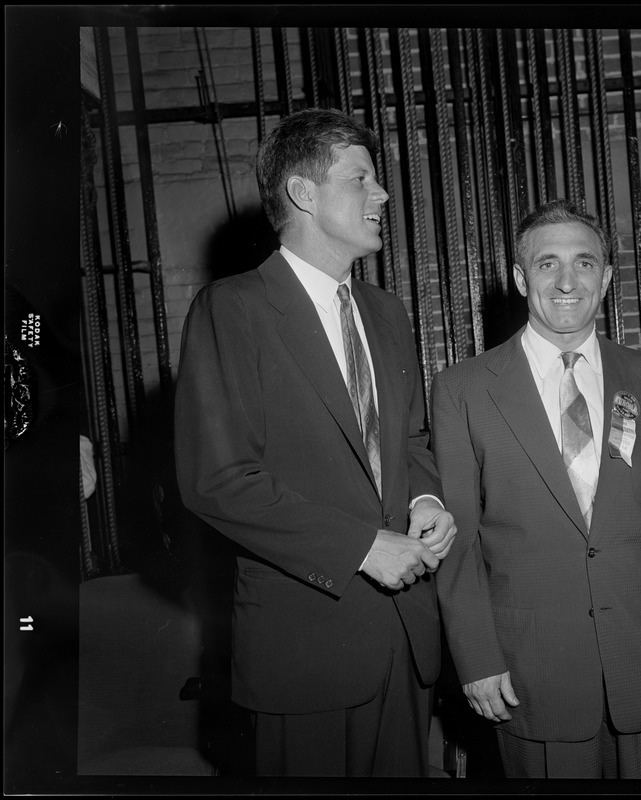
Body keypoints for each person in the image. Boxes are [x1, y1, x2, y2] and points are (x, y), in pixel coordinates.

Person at [174, 107, 456, 778]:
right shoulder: (232, 309)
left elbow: (412, 436)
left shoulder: (386, 314)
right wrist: (361, 547)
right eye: (361, 179)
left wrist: (426, 499)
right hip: (306, 649)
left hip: (405, 640)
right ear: (303, 194)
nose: (383, 195)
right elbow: (218, 480)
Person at [431, 199, 641, 779]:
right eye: (546, 264)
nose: (566, 281)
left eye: (584, 263)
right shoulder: (463, 388)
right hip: (530, 667)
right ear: (518, 278)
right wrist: (476, 656)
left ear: (607, 278)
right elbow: (456, 541)